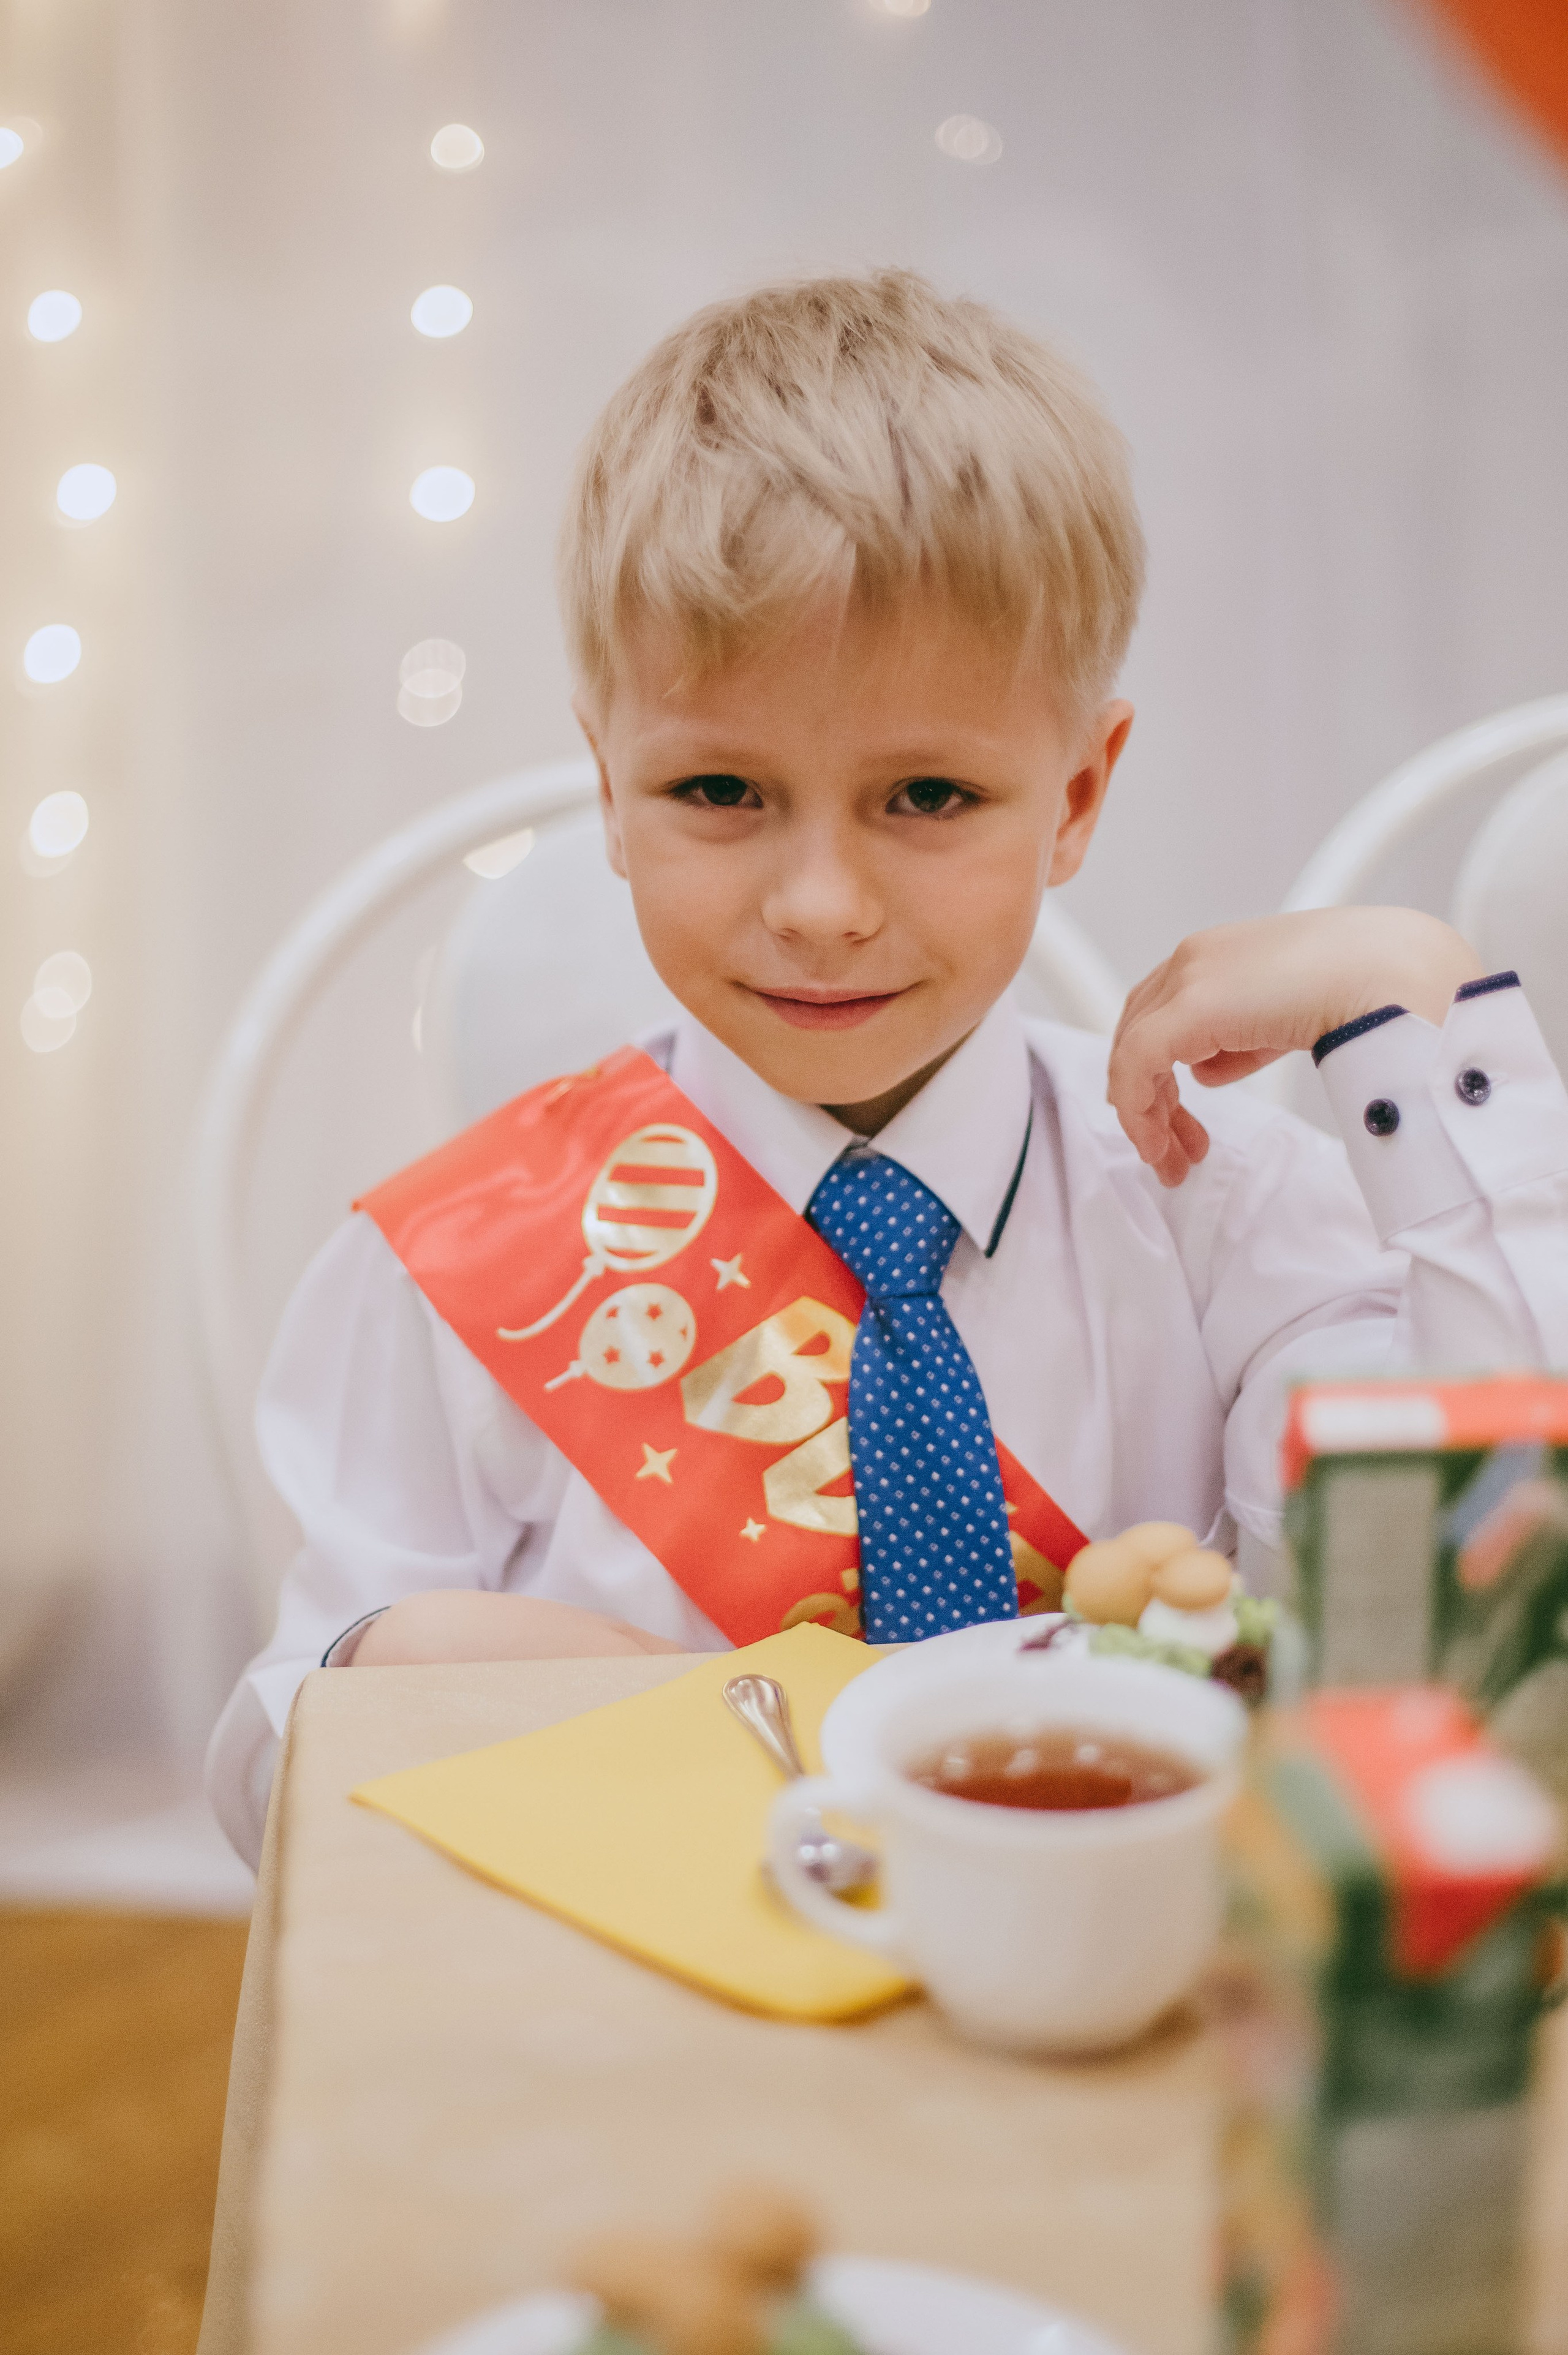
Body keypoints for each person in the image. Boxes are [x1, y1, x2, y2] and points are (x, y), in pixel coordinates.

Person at [207, 269, 1568, 1867]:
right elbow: (273, 1791)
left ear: (1077, 792)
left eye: (926, 797)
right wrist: (389, 1676)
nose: (823, 908)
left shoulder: (1222, 1214)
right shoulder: (443, 1278)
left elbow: (1485, 1593)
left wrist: (1423, 1010)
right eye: (721, 788)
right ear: (607, 782)